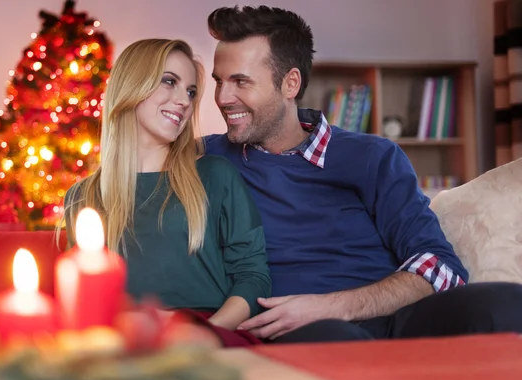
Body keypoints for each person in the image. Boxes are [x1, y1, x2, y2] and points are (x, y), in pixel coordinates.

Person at [203, 5, 522, 343]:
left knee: (506, 302)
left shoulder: (372, 156)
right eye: (218, 82)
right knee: (333, 339)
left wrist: (334, 306)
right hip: (308, 336)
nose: (223, 98)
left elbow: (440, 267)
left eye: (241, 82)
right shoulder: (206, 158)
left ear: (290, 84)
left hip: (396, 322)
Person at [59, 38, 271, 345]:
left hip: (210, 336)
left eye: (190, 92)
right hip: (126, 345)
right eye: (169, 82)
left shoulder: (215, 175)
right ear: (132, 85)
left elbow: (254, 277)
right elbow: (85, 299)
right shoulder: (83, 197)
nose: (184, 101)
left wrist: (205, 334)